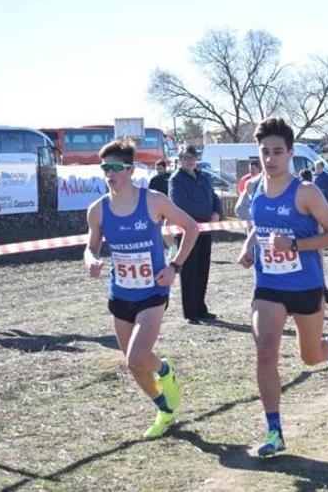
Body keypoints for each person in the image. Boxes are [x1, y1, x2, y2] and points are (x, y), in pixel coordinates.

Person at [237, 118, 328, 457]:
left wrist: (295, 245)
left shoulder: (305, 192)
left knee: (309, 355)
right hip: (268, 285)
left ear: (291, 153)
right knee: (266, 351)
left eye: (278, 152)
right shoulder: (254, 186)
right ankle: (274, 431)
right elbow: (262, 225)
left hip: (305, 285)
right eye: (265, 152)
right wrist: (248, 245)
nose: (271, 159)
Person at [84, 139, 199, 439]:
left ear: (130, 170)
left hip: (152, 293)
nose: (109, 174)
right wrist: (91, 260)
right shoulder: (97, 210)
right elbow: (90, 247)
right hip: (120, 294)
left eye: (116, 168)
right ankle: (164, 407)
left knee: (137, 357)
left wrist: (175, 267)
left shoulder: (153, 201)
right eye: (105, 168)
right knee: (133, 364)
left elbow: (192, 227)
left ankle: (165, 371)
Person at [169, 145, 223, 324]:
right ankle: (190, 312)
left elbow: (214, 197)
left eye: (192, 157)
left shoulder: (203, 177)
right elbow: (180, 205)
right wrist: (202, 217)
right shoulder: (176, 180)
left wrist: (217, 212)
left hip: (205, 230)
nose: (189, 161)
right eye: (185, 158)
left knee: (202, 270)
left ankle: (201, 308)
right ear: (180, 159)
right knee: (189, 272)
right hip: (187, 232)